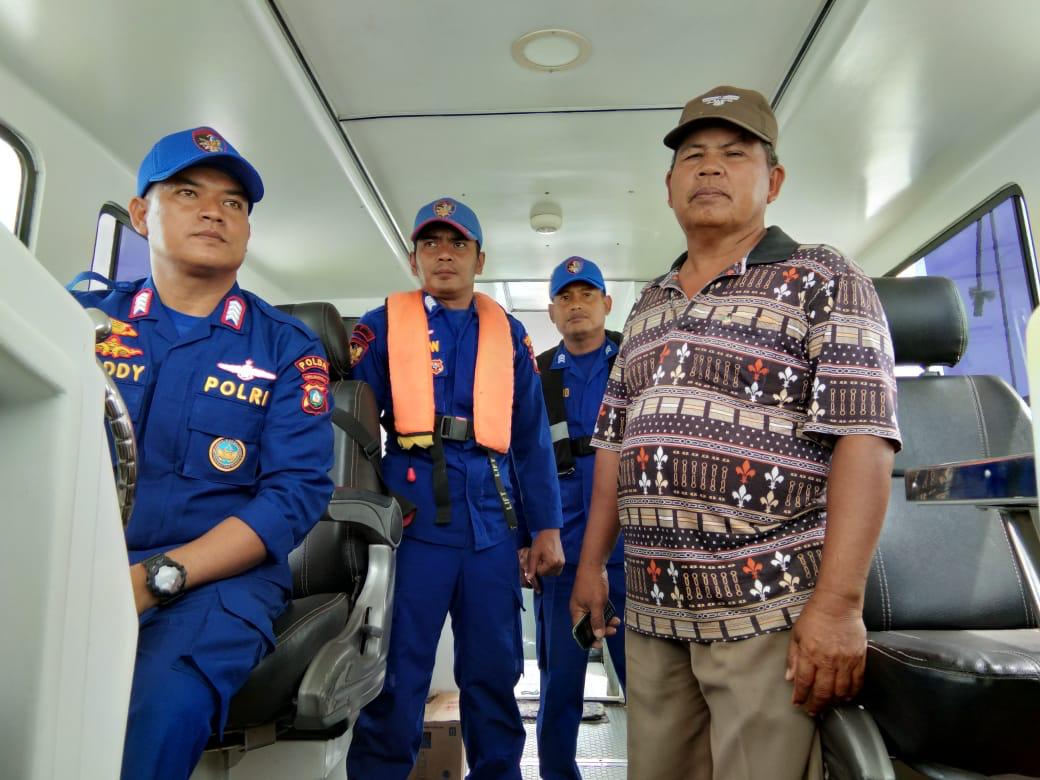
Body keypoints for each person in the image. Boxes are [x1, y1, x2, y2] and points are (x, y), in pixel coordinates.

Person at [569, 86, 902, 780]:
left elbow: (864, 442)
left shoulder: (825, 280)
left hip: (765, 612)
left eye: (734, 154)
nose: (711, 168)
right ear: (668, 188)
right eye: (693, 156)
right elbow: (611, 447)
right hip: (655, 612)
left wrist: (838, 606)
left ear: (772, 180)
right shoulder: (646, 307)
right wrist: (591, 566)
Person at [68, 126, 334, 780]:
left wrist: (158, 578)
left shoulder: (286, 349)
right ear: (140, 214)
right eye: (188, 192)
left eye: (234, 203)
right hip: (76, 559)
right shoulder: (83, 320)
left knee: (158, 708)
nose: (214, 210)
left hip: (215, 583)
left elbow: (293, 495)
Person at [345, 197, 566, 779]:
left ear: (479, 258)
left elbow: (532, 440)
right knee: (396, 678)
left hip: (492, 526)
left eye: (458, 244)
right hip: (411, 525)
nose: (444, 255)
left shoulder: (510, 334)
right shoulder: (382, 326)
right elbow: (352, 428)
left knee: (494, 676)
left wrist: (545, 528)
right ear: (415, 258)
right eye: (430, 244)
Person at [515, 256, 626, 780]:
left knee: (651, 687)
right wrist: (525, 539)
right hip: (563, 554)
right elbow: (518, 463)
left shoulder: (638, 360)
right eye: (565, 297)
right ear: (552, 313)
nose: (576, 304)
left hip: (634, 553)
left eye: (587, 294)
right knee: (560, 683)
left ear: (606, 303)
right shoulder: (534, 376)